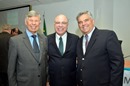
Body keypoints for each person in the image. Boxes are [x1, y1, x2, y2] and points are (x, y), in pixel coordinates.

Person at [76, 11, 124, 86]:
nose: (83, 24)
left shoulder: (107, 35)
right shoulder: (79, 41)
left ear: (93, 21)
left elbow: (118, 63)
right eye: (80, 22)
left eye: (86, 20)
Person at [8, 10, 48, 86]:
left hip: (41, 82)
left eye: (36, 21)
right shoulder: (15, 41)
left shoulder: (44, 39)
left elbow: (46, 62)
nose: (33, 23)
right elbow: (11, 69)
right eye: (31, 20)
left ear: (39, 23)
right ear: (26, 22)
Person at [47, 14, 79, 86]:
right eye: (57, 23)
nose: (60, 25)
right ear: (54, 24)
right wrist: (47, 80)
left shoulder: (76, 39)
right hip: (53, 81)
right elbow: (44, 62)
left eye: (63, 23)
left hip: (72, 81)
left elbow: (80, 61)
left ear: (67, 25)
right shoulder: (47, 39)